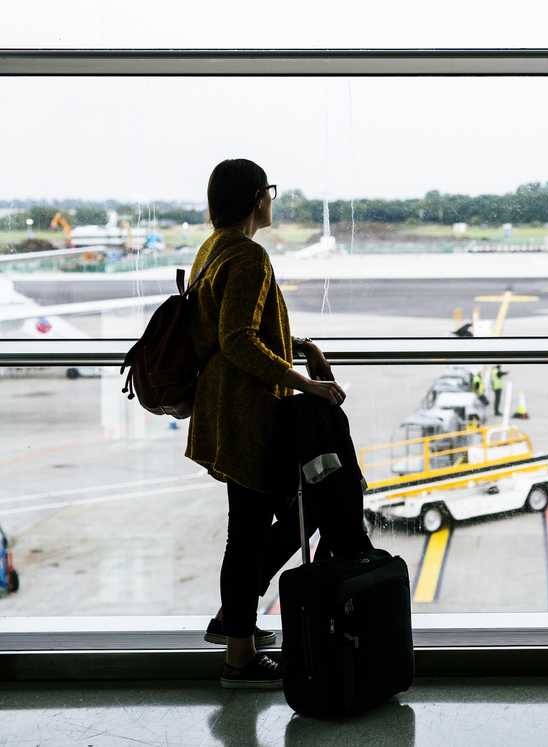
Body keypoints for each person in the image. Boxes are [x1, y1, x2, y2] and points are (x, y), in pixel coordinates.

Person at [186, 159, 348, 690]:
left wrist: (304, 348)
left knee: (258, 524)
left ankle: (237, 626)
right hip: (249, 416)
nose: (272, 201)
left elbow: (241, 329)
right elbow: (237, 339)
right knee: (290, 514)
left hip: (226, 412)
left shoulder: (213, 248)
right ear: (258, 199)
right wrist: (309, 385)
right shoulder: (249, 255)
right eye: (270, 192)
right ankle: (239, 651)